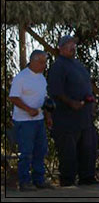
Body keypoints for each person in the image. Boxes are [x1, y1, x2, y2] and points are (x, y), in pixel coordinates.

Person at [47, 36, 99, 186]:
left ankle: (87, 177)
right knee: (68, 151)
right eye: (68, 44)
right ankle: (68, 180)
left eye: (74, 44)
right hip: (66, 118)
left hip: (84, 116)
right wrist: (71, 102)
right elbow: (55, 91)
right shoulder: (58, 66)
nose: (72, 47)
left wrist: (92, 100)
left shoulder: (78, 65)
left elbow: (87, 86)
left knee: (88, 148)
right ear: (60, 48)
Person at [9, 50, 54, 191]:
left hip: (39, 119)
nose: (44, 65)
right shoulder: (21, 77)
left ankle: (39, 179)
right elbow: (13, 97)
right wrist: (28, 109)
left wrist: (48, 116)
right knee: (26, 151)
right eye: (42, 62)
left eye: (45, 62)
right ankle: (24, 181)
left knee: (40, 150)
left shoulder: (41, 78)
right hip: (24, 120)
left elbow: (44, 98)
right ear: (33, 61)